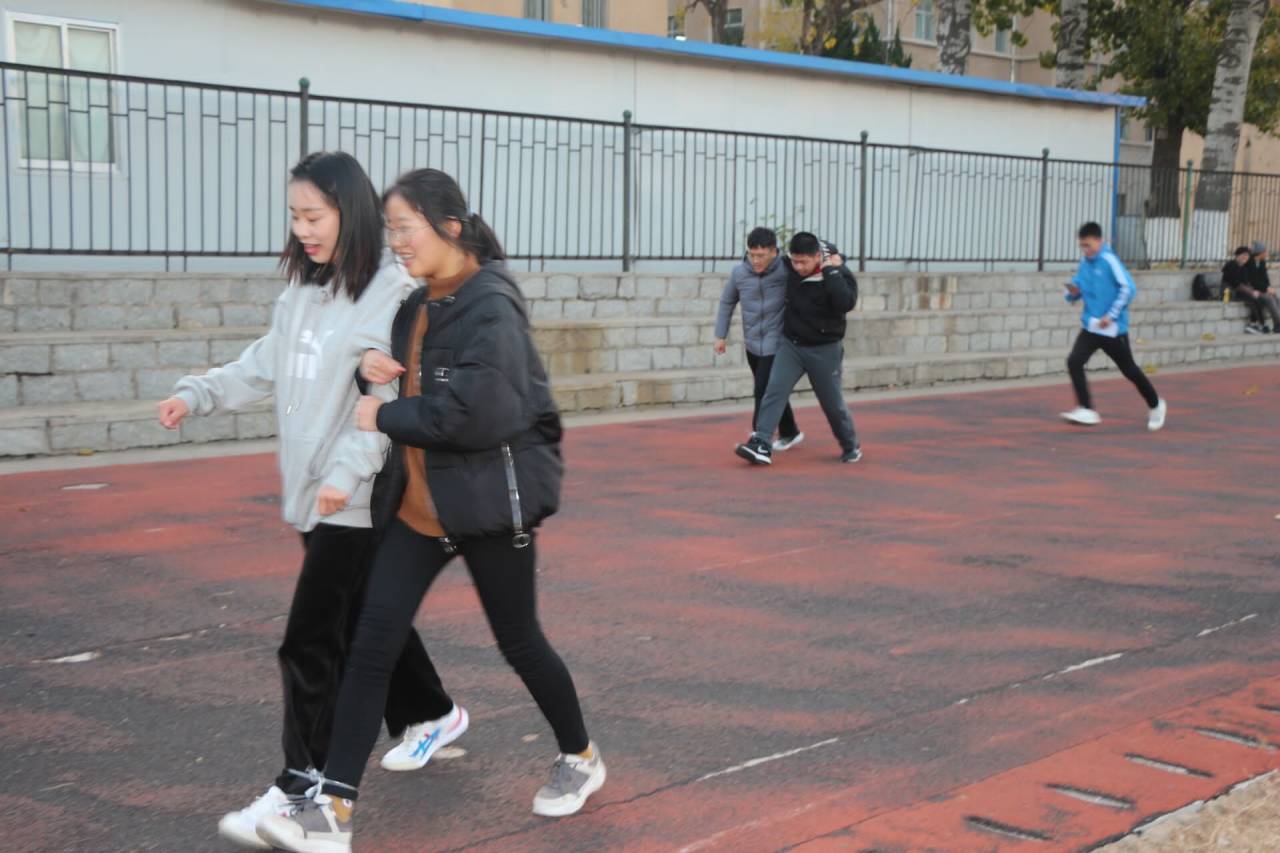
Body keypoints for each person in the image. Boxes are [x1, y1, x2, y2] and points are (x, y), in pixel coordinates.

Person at [257, 169, 604, 853]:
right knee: (371, 646)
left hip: (486, 506)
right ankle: (333, 812)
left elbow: (481, 414)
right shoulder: (416, 303)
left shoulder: (491, 307)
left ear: (449, 227)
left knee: (519, 642)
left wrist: (385, 414)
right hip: (419, 509)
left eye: (405, 228)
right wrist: (371, 370)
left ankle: (581, 756)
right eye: (390, 229)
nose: (396, 242)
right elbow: (387, 367)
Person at [156, 152, 467, 850]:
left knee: (311, 640)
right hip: (314, 492)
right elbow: (265, 362)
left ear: (348, 212)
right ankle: (433, 712)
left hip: (355, 496)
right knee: (362, 616)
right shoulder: (302, 292)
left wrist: (346, 475)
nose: (301, 230)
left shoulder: (392, 294)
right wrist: (196, 394)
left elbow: (384, 401)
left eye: (313, 216)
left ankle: (302, 784)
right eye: (294, 216)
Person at [735, 233, 860, 466]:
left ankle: (850, 444)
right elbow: (759, 258)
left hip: (824, 350)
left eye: (804, 262)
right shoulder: (788, 267)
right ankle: (761, 443)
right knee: (774, 390)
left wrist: (831, 270)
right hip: (791, 345)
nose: (798, 267)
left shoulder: (838, 272)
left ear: (818, 256)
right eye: (795, 261)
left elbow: (846, 302)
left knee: (832, 404)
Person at [1060, 222, 1167, 431]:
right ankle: (1087, 409)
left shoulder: (1110, 260)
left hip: (1112, 329)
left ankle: (1156, 404)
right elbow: (1077, 286)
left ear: (1099, 241)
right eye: (1082, 246)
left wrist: (1111, 315)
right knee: (1074, 361)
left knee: (1130, 370)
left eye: (1088, 245)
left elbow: (1128, 289)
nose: (1085, 250)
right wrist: (1071, 293)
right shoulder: (1085, 263)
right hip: (1091, 326)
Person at [714, 226, 803, 450]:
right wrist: (720, 335)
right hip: (752, 343)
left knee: (762, 389)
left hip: (777, 341)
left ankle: (758, 438)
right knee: (772, 389)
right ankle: (790, 431)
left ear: (774, 251)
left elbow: (810, 270)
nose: (755, 260)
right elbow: (727, 302)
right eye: (752, 254)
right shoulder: (739, 273)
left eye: (761, 255)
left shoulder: (786, 269)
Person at [1241, 241, 1280, 333]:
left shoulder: (1262, 262)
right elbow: (1253, 281)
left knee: (1275, 297)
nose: (1266, 254)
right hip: (1252, 290)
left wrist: (1269, 287)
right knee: (1269, 299)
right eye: (1265, 252)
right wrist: (1266, 288)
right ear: (1260, 253)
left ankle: (1277, 325)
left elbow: (1265, 278)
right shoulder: (1249, 263)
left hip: (1261, 289)